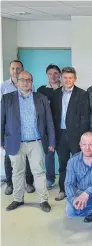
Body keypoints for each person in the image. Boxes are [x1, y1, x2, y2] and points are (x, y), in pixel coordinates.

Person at [1, 71, 55, 212]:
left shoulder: (41, 98)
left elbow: (49, 122)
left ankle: (43, 200)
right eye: (22, 80)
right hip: (14, 142)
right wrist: (1, 141)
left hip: (36, 142)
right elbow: (2, 121)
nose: (26, 82)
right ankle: (17, 199)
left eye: (29, 80)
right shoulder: (7, 99)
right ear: (17, 81)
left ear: (32, 82)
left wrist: (52, 142)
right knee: (17, 172)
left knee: (39, 172)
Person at [51, 67, 91, 201]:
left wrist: (82, 138)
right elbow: (52, 116)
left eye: (70, 77)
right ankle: (63, 189)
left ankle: (79, 189)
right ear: (61, 78)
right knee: (63, 164)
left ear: (75, 79)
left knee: (78, 164)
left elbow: (85, 117)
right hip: (60, 135)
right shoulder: (55, 94)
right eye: (65, 77)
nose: (68, 80)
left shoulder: (82, 94)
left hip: (76, 136)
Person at [1, 60, 35, 195]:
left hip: (27, 131)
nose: (15, 71)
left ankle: (28, 182)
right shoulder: (4, 87)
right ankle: (10, 184)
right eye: (13, 68)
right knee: (9, 158)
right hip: (10, 130)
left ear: (22, 69)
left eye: (18, 68)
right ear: (10, 70)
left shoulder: (29, 85)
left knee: (27, 158)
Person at [37, 64, 62, 190]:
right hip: (47, 129)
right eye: (50, 73)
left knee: (63, 156)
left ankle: (65, 180)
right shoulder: (41, 90)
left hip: (62, 128)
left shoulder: (65, 88)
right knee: (49, 155)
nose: (53, 76)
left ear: (60, 75)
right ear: (47, 75)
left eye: (56, 73)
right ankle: (50, 179)